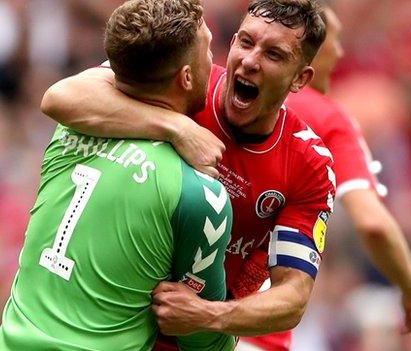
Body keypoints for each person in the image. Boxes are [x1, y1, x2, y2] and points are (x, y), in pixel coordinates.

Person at [42, 0, 336, 342]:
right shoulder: (186, 78)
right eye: (246, 42)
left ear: (300, 78)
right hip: (108, 323)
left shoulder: (308, 163)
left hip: (196, 339)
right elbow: (60, 98)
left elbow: (294, 297)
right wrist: (175, 126)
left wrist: (209, 315)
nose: (251, 61)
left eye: (274, 55)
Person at [0, 1, 236, 350]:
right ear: (186, 77)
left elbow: (68, 93)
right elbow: (205, 342)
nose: (216, 64)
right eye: (209, 50)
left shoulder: (68, 128)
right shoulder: (199, 194)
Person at [238, 5, 411, 350]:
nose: (341, 51)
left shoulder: (222, 92)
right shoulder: (331, 120)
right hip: (255, 327)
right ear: (309, 57)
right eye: (335, 40)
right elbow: (372, 222)